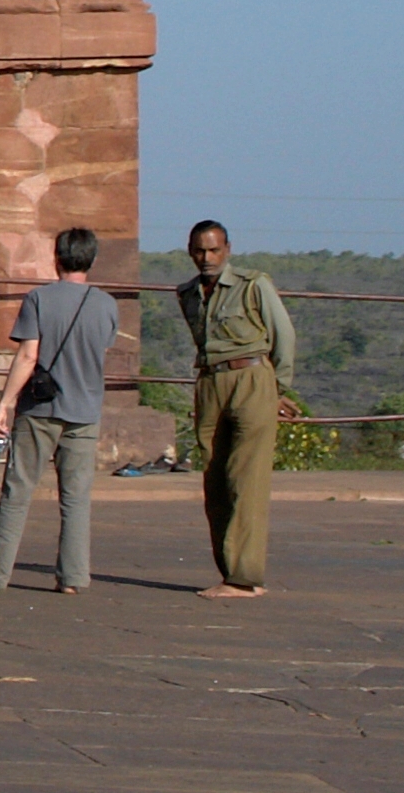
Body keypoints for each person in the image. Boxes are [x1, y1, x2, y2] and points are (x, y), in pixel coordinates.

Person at [0, 225, 115, 596]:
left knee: (17, 492)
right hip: (85, 410)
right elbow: (101, 351)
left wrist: (4, 403)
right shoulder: (107, 305)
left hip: (40, 409)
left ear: (57, 257)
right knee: (76, 499)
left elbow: (28, 355)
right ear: (92, 259)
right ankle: (73, 578)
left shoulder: (39, 299)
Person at [175, 218, 299, 600]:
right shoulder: (188, 293)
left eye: (214, 250)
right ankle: (229, 571)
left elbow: (283, 335)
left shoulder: (253, 284)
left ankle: (243, 579)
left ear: (227, 249)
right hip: (211, 383)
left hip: (252, 380)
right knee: (215, 481)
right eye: (200, 250)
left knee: (246, 480)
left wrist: (274, 389)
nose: (207, 257)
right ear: (190, 251)